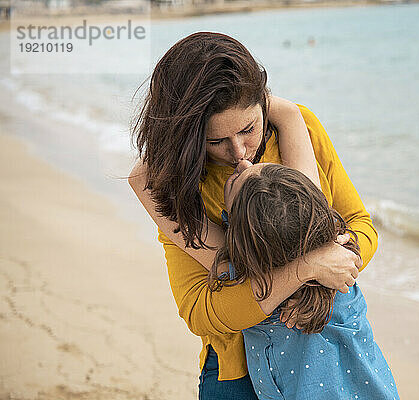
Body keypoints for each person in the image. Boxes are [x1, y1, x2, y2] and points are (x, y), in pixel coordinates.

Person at [129, 32, 378, 399]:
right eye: (215, 141)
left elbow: (358, 225)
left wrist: (334, 262)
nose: (240, 152)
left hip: (325, 335)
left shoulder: (297, 126)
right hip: (237, 366)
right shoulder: (172, 183)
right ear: (187, 136)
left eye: (249, 129)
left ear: (264, 104)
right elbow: (200, 310)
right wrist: (306, 269)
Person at [210, 162, 400, 400]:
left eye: (236, 180)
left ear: (242, 240)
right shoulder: (340, 267)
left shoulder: (249, 285)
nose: (244, 163)